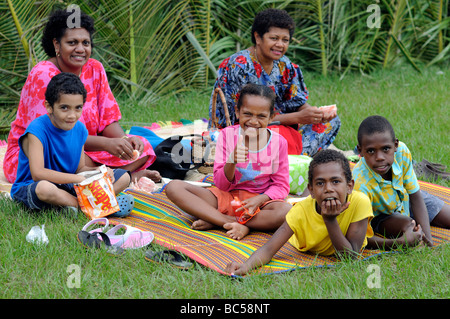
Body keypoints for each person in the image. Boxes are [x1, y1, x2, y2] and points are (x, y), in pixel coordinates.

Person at [3, 8, 161, 185]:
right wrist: (106, 145)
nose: (80, 49)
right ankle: (124, 176)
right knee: (67, 158)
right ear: (56, 45)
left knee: (142, 146)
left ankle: (111, 175)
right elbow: (50, 136)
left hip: (85, 151)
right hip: (41, 153)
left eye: (85, 43)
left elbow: (107, 120)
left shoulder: (95, 69)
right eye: (72, 43)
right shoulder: (43, 75)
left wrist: (124, 141)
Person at [166, 84, 292, 240]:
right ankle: (230, 222)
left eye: (261, 116)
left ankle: (216, 219)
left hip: (259, 204)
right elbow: (221, 184)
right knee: (174, 187)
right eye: (247, 114)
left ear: (271, 117)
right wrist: (231, 161)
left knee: (285, 211)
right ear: (237, 112)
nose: (253, 121)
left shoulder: (278, 142)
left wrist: (261, 199)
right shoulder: (227, 135)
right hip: (227, 197)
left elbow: (281, 186)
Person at [209, 8, 340, 156]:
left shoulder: (286, 66)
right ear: (258, 38)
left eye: (285, 40)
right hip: (242, 131)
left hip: (277, 128)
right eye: (274, 38)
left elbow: (297, 102)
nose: (280, 45)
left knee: (331, 122)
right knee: (269, 135)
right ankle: (289, 157)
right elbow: (241, 119)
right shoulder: (237, 66)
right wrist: (297, 118)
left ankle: (289, 157)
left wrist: (314, 114)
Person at [225, 149, 374, 276]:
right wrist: (246, 266)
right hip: (305, 239)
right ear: (311, 190)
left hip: (345, 240)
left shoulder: (360, 202)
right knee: (283, 215)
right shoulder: (301, 211)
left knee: (371, 239)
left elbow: (350, 256)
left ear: (349, 186)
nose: (328, 188)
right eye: (320, 183)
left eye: (335, 181)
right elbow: (269, 248)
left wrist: (330, 220)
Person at [11, 73, 131, 212]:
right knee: (45, 188)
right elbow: (38, 174)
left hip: (67, 185)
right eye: (64, 108)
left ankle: (74, 205)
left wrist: (100, 172)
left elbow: (80, 169)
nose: (72, 115)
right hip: (34, 186)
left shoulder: (79, 129)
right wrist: (78, 178)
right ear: (49, 106)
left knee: (123, 177)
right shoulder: (37, 130)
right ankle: (89, 207)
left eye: (78, 108)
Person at [352, 115, 450, 249]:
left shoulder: (402, 152)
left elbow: (415, 196)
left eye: (386, 149)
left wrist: (429, 239)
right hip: (381, 215)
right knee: (410, 226)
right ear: (360, 151)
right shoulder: (359, 183)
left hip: (405, 199)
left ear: (395, 145)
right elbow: (359, 237)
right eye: (370, 151)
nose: (379, 157)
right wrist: (398, 243)